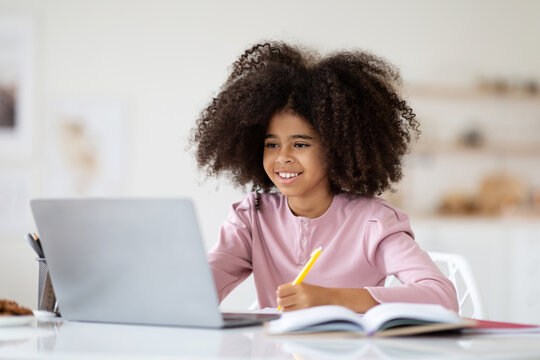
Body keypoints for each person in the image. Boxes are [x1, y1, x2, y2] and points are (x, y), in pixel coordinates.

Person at [191, 42, 458, 313]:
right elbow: (202, 287)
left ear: (336, 149)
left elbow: (441, 296)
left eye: (300, 144)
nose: (282, 157)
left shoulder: (374, 222)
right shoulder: (252, 217)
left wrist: (334, 298)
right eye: (272, 144)